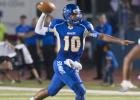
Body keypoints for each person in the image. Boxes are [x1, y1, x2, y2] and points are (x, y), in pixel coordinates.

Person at [30, 4, 133, 100]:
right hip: (61, 63)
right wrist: (44, 13)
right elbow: (38, 30)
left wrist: (120, 41)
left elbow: (101, 36)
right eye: (75, 14)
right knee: (81, 92)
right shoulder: (58, 25)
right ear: (68, 15)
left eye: (78, 13)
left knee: (51, 91)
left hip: (73, 64)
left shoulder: (84, 26)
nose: (78, 15)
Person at [15, 15, 41, 82]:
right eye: (22, 19)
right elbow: (19, 35)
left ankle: (38, 76)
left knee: (34, 61)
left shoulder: (29, 28)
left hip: (34, 46)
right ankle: (28, 76)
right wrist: (27, 35)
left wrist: (26, 35)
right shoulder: (21, 27)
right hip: (25, 46)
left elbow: (30, 34)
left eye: (35, 22)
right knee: (23, 62)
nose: (23, 21)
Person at [94, 14, 113, 80]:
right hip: (99, 45)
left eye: (103, 18)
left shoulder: (108, 26)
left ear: (105, 19)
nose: (102, 19)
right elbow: (95, 34)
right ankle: (99, 75)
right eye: (101, 18)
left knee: (107, 61)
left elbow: (107, 35)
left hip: (106, 45)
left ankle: (107, 76)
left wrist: (100, 36)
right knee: (98, 61)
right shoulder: (98, 27)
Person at [38, 15, 56, 80]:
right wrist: (38, 49)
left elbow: (57, 38)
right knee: (46, 62)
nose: (47, 20)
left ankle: (52, 76)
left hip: (52, 46)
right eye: (46, 19)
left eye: (48, 19)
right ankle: (47, 76)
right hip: (44, 46)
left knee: (52, 61)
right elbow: (39, 39)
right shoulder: (42, 28)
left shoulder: (53, 28)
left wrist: (57, 47)